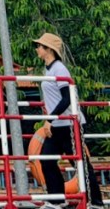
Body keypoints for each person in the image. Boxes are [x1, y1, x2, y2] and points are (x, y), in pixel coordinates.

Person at [33, 32, 104, 208]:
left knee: (80, 164)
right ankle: (56, 199)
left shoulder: (59, 69)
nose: (37, 49)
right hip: (57, 124)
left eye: (39, 46)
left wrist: (50, 119)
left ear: (49, 49)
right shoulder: (48, 69)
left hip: (68, 124)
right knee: (46, 160)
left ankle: (96, 202)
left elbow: (66, 99)